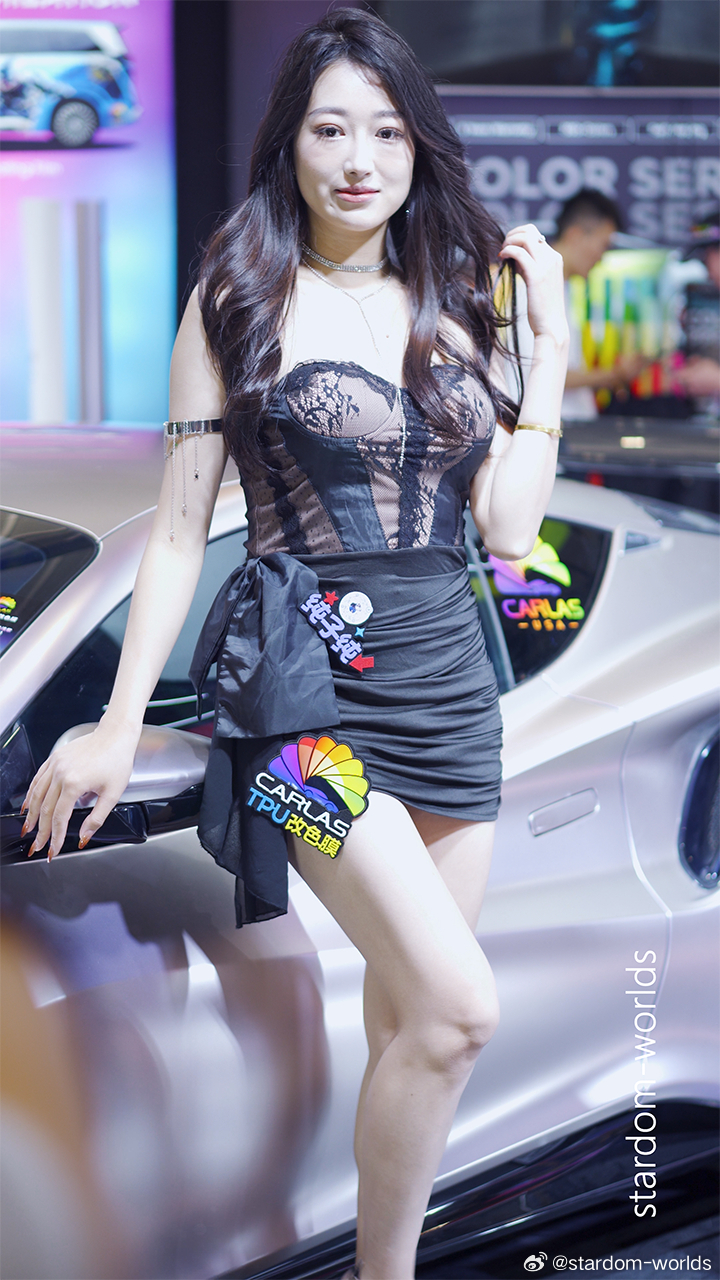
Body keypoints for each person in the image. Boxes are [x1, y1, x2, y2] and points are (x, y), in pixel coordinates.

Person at [21, 10, 568, 1278]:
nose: (360, 159)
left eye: (386, 132)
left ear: (419, 148)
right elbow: (175, 534)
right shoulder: (236, 301)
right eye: (331, 129)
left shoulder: (457, 305)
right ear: (291, 145)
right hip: (298, 713)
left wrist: (548, 350)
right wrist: (115, 721)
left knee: (409, 1022)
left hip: (452, 700)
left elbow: (507, 526)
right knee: (461, 1008)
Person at [551, 187, 646, 418]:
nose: (602, 257)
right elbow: (539, 373)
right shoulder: (531, 288)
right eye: (603, 245)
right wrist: (615, 374)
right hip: (556, 429)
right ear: (575, 235)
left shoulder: (564, 288)